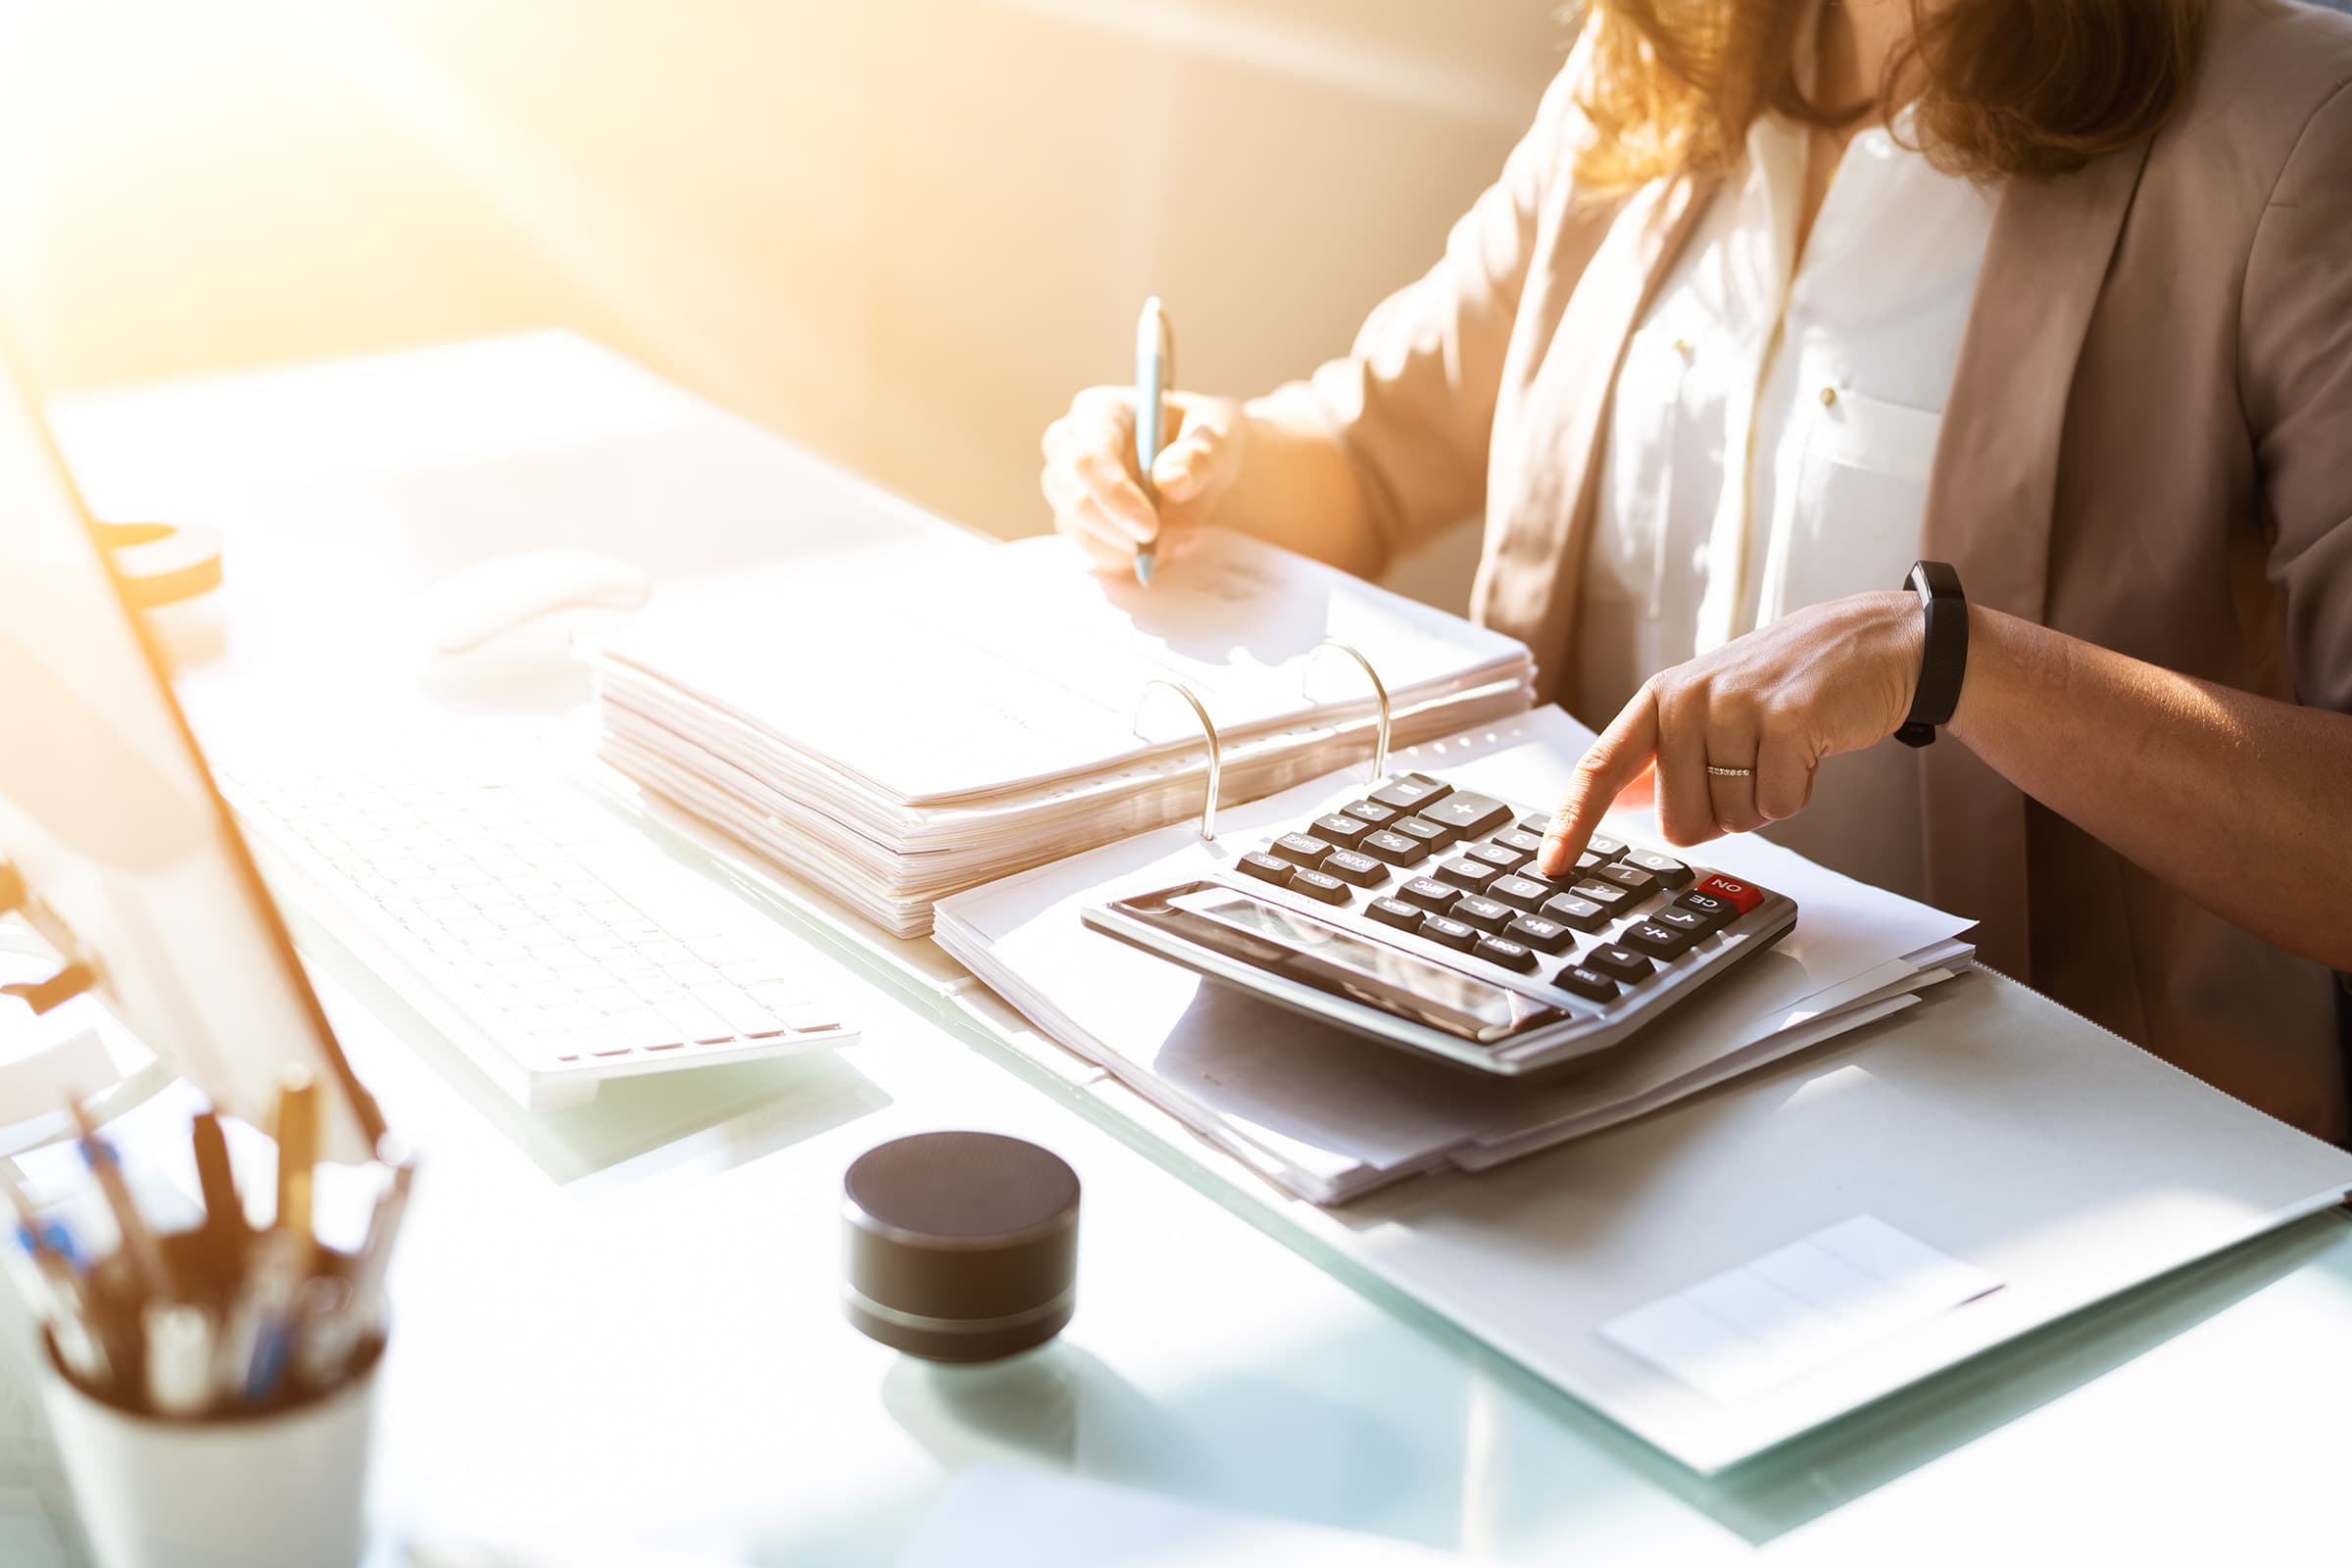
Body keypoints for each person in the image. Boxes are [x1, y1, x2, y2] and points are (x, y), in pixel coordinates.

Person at [1038, 0, 2352, 1141]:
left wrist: (1952, 657)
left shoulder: (2295, 125)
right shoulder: (1658, 64)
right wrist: (1194, 461)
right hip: (1575, 1062)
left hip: (2039, 1151)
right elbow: (1378, 457)